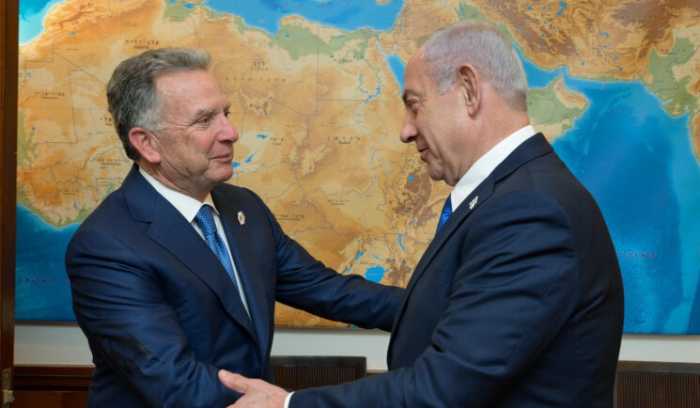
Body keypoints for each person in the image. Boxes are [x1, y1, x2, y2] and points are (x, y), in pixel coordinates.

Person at [219, 19, 625, 408]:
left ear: (469, 90)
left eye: (415, 105)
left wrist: (290, 403)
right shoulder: (511, 194)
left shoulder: (529, 211)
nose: (406, 130)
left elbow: (442, 390)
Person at [65, 47, 404, 408]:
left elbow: (329, 291)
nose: (231, 132)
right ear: (147, 143)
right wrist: (288, 404)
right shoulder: (107, 245)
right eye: (204, 120)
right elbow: (174, 382)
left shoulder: (243, 208)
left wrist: (438, 308)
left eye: (225, 114)